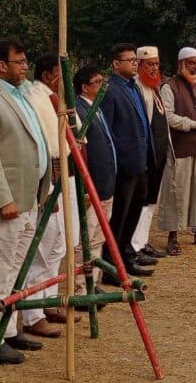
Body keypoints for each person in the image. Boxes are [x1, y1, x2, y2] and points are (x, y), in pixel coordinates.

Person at [0, 39, 50, 364]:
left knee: (17, 268)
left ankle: (9, 328)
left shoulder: (21, 94)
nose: (25, 66)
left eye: (25, 60)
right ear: (1, 66)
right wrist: (4, 197)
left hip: (30, 195)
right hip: (11, 200)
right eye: (19, 61)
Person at [19, 52, 80, 335]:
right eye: (60, 73)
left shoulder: (56, 98)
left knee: (60, 244)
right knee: (42, 246)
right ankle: (32, 314)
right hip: (50, 175)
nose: (65, 80)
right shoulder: (35, 97)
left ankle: (48, 300)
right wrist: (47, 185)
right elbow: (45, 145)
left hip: (65, 172)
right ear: (47, 75)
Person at [99, 44, 158, 277]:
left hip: (141, 161)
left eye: (136, 59)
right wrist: (118, 163)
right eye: (129, 60)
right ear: (116, 63)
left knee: (134, 211)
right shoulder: (110, 89)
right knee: (119, 216)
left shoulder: (134, 87)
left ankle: (127, 256)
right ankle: (112, 267)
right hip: (124, 166)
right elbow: (108, 131)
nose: (135, 63)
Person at [159, 48, 196, 254]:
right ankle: (173, 237)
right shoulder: (169, 87)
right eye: (190, 62)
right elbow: (167, 117)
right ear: (180, 64)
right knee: (177, 194)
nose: (194, 66)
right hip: (181, 149)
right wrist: (195, 125)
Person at [73, 65, 117, 283]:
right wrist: (84, 187)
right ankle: (82, 285)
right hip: (92, 186)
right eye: (97, 82)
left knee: (99, 236)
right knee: (87, 238)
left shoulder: (97, 108)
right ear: (84, 87)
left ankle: (94, 281)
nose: (102, 86)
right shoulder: (80, 111)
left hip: (106, 183)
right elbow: (81, 151)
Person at [130, 46, 168, 265]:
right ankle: (134, 245)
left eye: (156, 64)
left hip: (159, 155)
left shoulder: (154, 87)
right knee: (141, 201)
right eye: (149, 65)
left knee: (151, 200)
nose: (154, 69)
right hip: (145, 156)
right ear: (140, 66)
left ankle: (142, 241)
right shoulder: (137, 88)